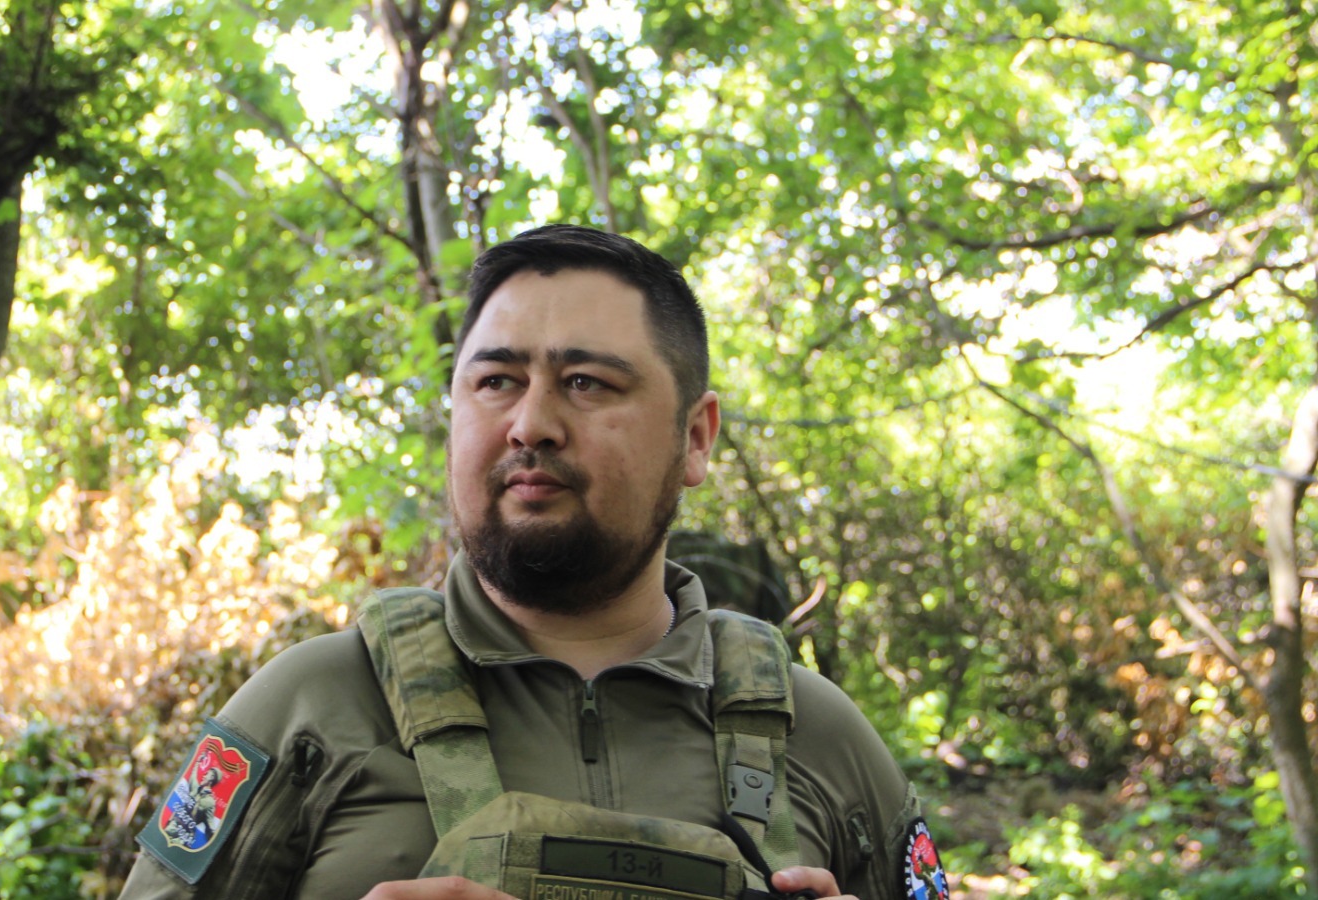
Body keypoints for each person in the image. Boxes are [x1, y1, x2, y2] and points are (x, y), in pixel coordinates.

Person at [119, 225, 948, 900]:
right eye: (496, 381)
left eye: (586, 383)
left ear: (695, 437)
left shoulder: (821, 738)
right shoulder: (312, 710)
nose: (531, 424)